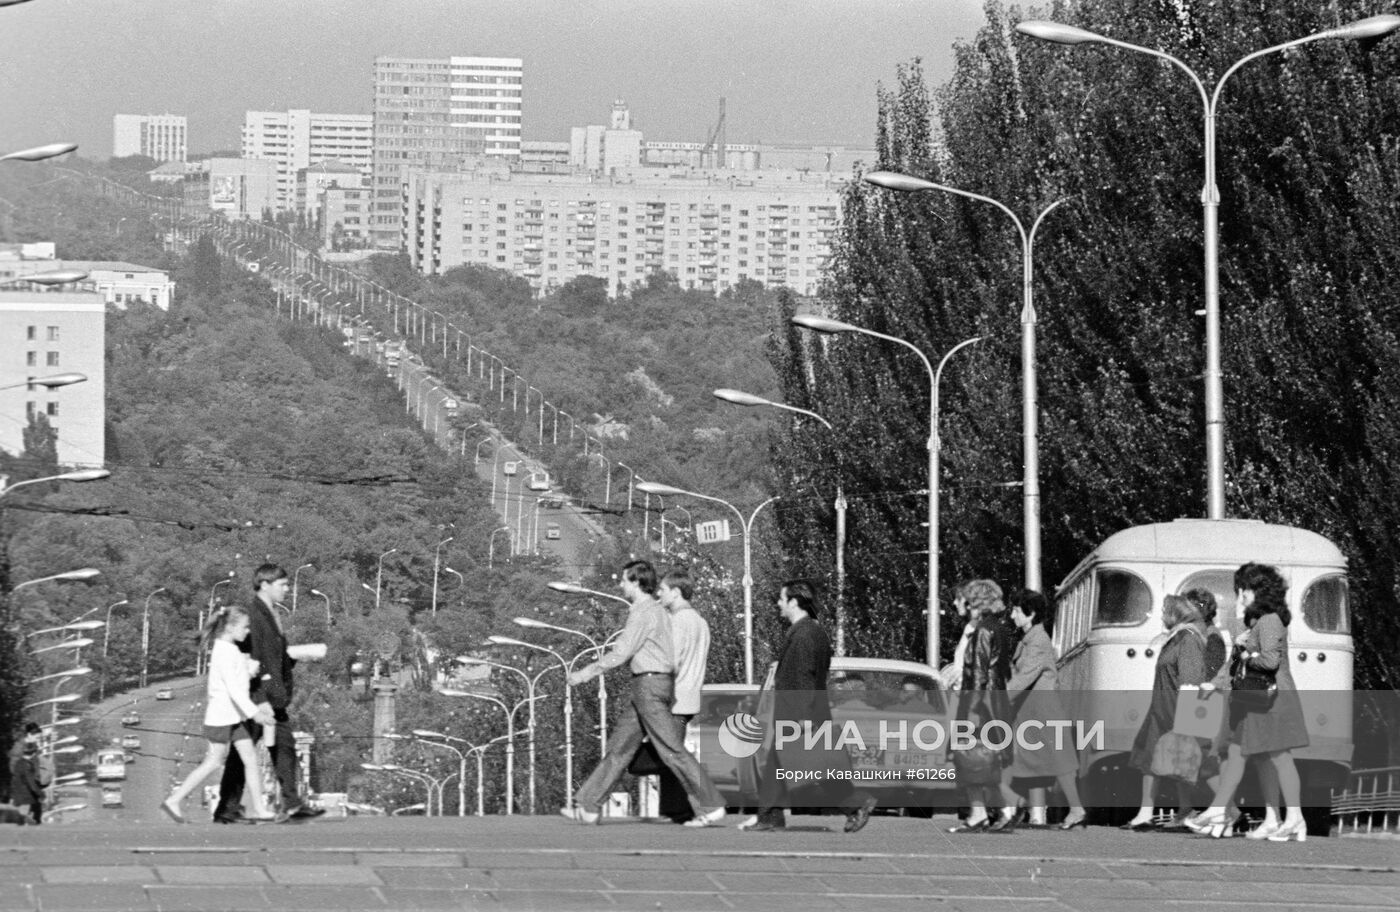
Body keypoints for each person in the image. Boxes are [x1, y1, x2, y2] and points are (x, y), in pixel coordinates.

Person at [565, 560, 726, 827]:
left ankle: (711, 803)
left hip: (650, 685)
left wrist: (585, 673)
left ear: (637, 583)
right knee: (620, 747)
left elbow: (622, 653)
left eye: (625, 580)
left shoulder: (643, 612)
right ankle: (589, 804)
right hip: (649, 685)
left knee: (671, 749)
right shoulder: (660, 612)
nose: (620, 585)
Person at [739, 580, 877, 834]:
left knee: (815, 766)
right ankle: (771, 815)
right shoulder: (813, 631)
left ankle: (854, 804)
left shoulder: (803, 634)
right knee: (793, 765)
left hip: (800, 713)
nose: (778, 604)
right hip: (804, 711)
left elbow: (804, 675)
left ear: (794, 602)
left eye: (782, 599)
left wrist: (802, 717)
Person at [1186, 563, 1310, 841]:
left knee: (1277, 757)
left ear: (1256, 591)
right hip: (1256, 701)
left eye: (1243, 589)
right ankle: (1270, 818)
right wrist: (1216, 683)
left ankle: (1294, 818)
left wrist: (1245, 654)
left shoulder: (1269, 620)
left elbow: (1269, 661)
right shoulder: (1258, 622)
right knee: (1247, 755)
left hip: (1273, 700)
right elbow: (1233, 664)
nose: (1239, 595)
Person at [213, 564, 324, 824]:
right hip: (257, 699)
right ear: (264, 584)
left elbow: (275, 658)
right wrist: (261, 700)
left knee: (284, 748)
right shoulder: (254, 615)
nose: (287, 589)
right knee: (243, 755)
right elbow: (251, 662)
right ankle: (226, 808)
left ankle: (292, 804)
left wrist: (299, 656)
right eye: (282, 584)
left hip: (275, 698)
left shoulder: (271, 614)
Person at [162, 605, 277, 823]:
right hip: (222, 719)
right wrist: (256, 714)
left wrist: (249, 667)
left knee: (250, 760)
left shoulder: (229, 650)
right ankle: (173, 800)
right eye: (245, 627)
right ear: (231, 627)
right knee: (213, 762)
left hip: (234, 718)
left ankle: (260, 809)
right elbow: (234, 690)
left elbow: (239, 677)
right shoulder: (223, 652)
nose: (248, 631)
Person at [996, 589, 1086, 831]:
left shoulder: (1038, 641)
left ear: (1031, 613)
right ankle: (1022, 808)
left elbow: (1022, 678)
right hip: (1030, 712)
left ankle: (1072, 809)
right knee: (1030, 761)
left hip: (1044, 713)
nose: (1012, 615)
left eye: (1016, 610)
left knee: (1058, 762)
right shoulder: (1028, 640)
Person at [1122, 594, 1210, 831]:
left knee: (1185, 762)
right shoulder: (1175, 639)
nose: (1161, 615)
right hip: (1160, 708)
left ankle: (1222, 809)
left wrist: (1186, 718)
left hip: (1175, 709)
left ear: (1176, 614)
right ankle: (1148, 812)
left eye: (1164, 611)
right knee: (1149, 757)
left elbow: (1191, 680)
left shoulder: (1188, 639)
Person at [948, 579, 1014, 833]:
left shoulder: (983, 632)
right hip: (993, 701)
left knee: (971, 758)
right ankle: (987, 812)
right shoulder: (996, 627)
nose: (960, 603)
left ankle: (999, 808)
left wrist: (971, 711)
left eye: (965, 599)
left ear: (974, 602)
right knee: (980, 760)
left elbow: (978, 673)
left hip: (979, 703)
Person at [652, 567, 712, 825]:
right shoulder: (700, 622)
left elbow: (669, 661)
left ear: (676, 592)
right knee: (670, 755)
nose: (659, 594)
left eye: (663, 590)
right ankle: (674, 809)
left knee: (676, 757)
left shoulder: (677, 622)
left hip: (673, 698)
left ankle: (705, 808)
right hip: (689, 697)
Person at [9, 742, 45, 825]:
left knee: (22, 820)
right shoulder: (27, 765)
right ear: (33, 753)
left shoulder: (19, 763)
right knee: (35, 814)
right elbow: (31, 782)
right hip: (27, 797)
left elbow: (15, 780)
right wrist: (40, 793)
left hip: (18, 795)